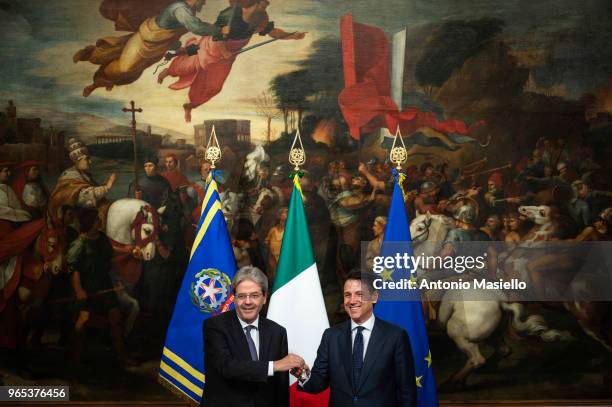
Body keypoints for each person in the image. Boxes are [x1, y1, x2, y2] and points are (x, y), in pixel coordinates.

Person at [158, 0, 306, 122]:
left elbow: (272, 32)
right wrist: (224, 52)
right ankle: (168, 71)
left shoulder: (261, 17)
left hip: (229, 56)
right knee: (192, 65)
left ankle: (190, 105)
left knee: (215, 87)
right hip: (214, 48)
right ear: (252, 3)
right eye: (263, 3)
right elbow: (217, 35)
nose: (266, 4)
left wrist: (291, 36)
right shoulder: (229, 14)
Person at [297, 271, 416, 407]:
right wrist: (302, 375)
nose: (352, 301)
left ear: (374, 297)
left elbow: (407, 391)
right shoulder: (331, 336)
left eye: (359, 294)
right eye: (347, 295)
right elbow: (318, 382)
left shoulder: (395, 336)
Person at [74, 0, 230, 97]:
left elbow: (173, 35)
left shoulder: (188, 11)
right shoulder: (180, 8)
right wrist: (219, 30)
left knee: (132, 72)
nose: (204, 3)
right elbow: (195, 26)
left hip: (158, 48)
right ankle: (90, 54)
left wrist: (179, 49)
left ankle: (96, 84)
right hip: (145, 41)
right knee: (124, 67)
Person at [202, 266, 303, 407]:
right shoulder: (215, 326)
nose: (248, 302)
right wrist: (275, 365)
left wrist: (301, 373)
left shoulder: (277, 332)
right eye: (242, 296)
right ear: (234, 299)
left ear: (264, 298)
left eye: (254, 295)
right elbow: (227, 367)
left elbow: (280, 387)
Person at [48, 138, 116, 228]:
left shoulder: (84, 174)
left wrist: (104, 185)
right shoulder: (69, 176)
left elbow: (91, 189)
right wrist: (107, 187)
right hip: (73, 220)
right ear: (77, 160)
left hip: (83, 213)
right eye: (87, 159)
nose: (90, 162)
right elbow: (83, 198)